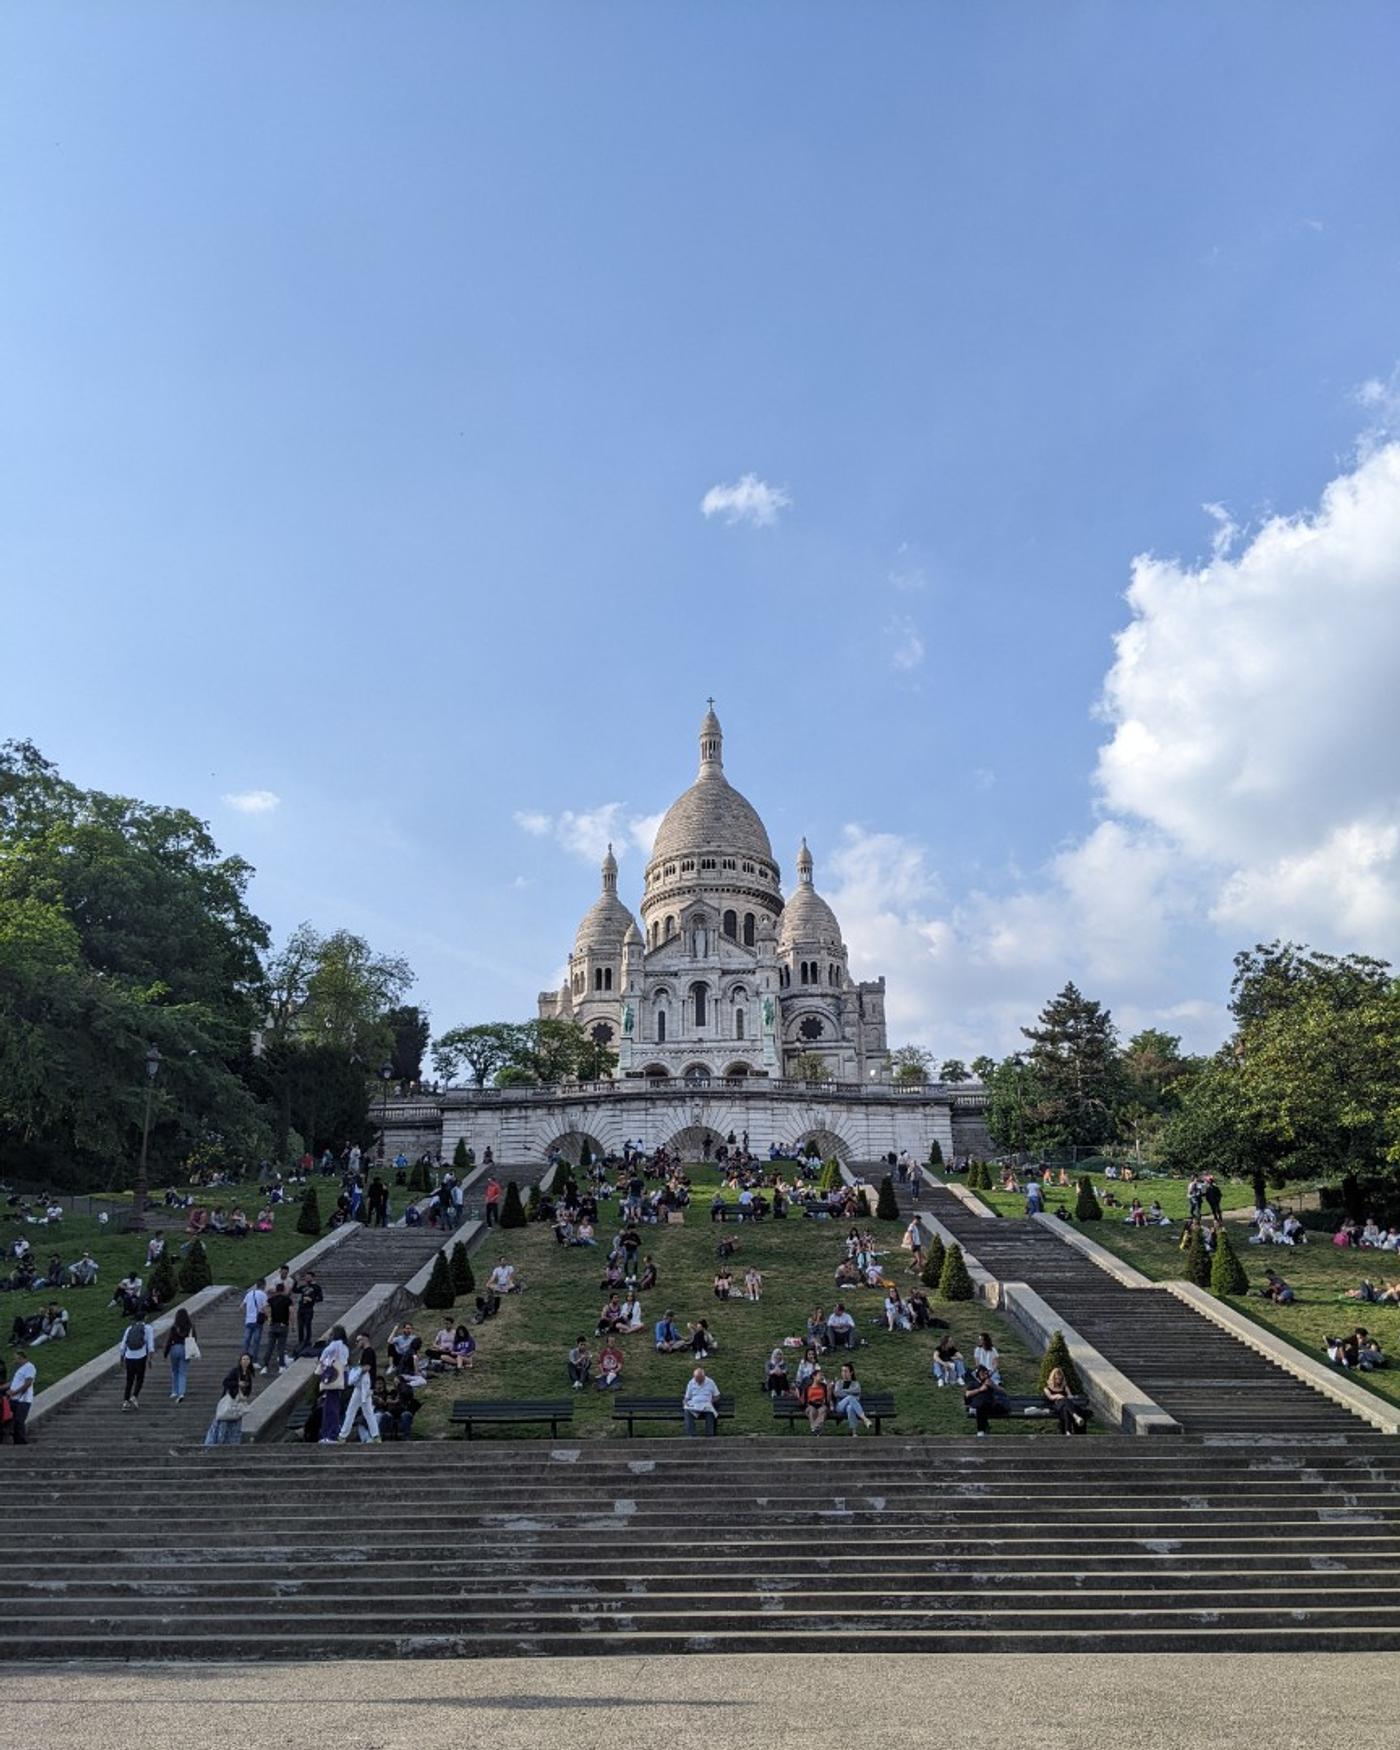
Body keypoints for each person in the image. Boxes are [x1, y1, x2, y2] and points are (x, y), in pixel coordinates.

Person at [204, 1353, 255, 1446]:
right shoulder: (235, 1371)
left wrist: (245, 1392)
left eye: (247, 1359)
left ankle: (232, 1443)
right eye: (243, 1359)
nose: (245, 1361)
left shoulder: (248, 1374)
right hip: (230, 1400)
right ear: (240, 1361)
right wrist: (237, 1384)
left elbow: (249, 1388)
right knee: (223, 1422)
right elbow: (226, 1382)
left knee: (236, 1423)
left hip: (239, 1403)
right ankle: (217, 1442)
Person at [338, 1334, 381, 1443]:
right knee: (365, 1412)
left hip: (364, 1387)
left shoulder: (368, 1352)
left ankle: (343, 1436)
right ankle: (375, 1436)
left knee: (354, 1411)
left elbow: (367, 1367)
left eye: (358, 1341)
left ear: (364, 1339)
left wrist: (354, 1373)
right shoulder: (367, 1352)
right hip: (362, 1387)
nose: (356, 1344)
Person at [317, 1326, 350, 1443]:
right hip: (341, 1376)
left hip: (334, 1376)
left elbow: (325, 1352)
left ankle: (331, 1434)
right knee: (332, 1405)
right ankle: (330, 1433)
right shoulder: (345, 1346)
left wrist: (322, 1361)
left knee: (331, 1407)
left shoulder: (336, 1344)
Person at [120, 1311, 155, 1409]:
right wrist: (150, 1359)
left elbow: (123, 1345)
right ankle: (134, 1396)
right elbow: (151, 1345)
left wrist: (121, 1359)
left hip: (129, 1357)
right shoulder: (148, 1328)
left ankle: (125, 1402)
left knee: (129, 1380)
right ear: (145, 1318)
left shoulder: (129, 1328)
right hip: (141, 1356)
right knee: (140, 1378)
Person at [164, 1305, 197, 1403]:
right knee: (183, 1372)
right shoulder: (190, 1327)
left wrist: (166, 1353)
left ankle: (174, 1391)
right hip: (185, 1349)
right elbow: (195, 1339)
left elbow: (169, 1340)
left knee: (174, 1371)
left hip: (175, 1348)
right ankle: (181, 1392)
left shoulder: (175, 1327)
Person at [1043, 1365, 1087, 1435]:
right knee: (1064, 1400)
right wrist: (1058, 1396)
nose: (1058, 1381)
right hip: (1056, 1407)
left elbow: (1070, 1396)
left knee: (1065, 1409)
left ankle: (1068, 1432)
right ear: (1052, 1378)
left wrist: (1069, 1396)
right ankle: (1075, 1416)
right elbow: (1050, 1397)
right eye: (1056, 1379)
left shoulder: (1065, 1387)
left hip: (1065, 1407)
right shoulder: (1047, 1389)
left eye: (1060, 1379)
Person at [833, 1362, 872, 1436]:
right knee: (851, 1397)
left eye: (845, 1371)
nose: (843, 1373)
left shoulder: (856, 1383)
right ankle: (865, 1419)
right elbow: (836, 1393)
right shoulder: (839, 1383)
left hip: (850, 1406)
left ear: (851, 1372)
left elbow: (857, 1395)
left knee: (850, 1407)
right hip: (840, 1406)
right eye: (842, 1371)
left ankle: (854, 1432)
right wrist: (850, 1393)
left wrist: (843, 1392)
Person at [683, 1365, 722, 1436]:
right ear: (694, 1377)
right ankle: (692, 1436)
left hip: (706, 1406)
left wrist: (711, 1401)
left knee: (710, 1412)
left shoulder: (710, 1382)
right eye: (697, 1380)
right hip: (694, 1406)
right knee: (687, 1412)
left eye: (700, 1380)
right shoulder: (691, 1383)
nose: (698, 1382)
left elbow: (717, 1396)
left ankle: (709, 1435)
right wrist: (686, 1403)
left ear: (704, 1377)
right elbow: (686, 1398)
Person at [7, 1348, 35, 1445]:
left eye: (16, 1359)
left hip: (23, 1399)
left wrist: (15, 1392)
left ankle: (21, 1441)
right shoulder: (20, 1369)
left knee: (19, 1419)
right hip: (14, 1399)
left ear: (22, 1358)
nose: (15, 1361)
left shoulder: (29, 1367)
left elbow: (28, 1383)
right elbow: (14, 1382)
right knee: (14, 1420)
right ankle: (16, 1441)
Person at [964, 1364, 1000, 1437]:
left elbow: (1003, 1392)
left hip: (989, 1405)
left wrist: (994, 1386)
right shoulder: (974, 1384)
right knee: (979, 1405)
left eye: (985, 1373)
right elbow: (967, 1394)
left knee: (981, 1406)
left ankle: (981, 1430)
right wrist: (980, 1390)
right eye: (982, 1373)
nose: (984, 1375)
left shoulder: (990, 1382)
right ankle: (982, 1428)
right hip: (979, 1405)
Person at [294, 1269, 323, 1356]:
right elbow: (295, 1290)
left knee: (307, 1325)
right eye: (306, 1276)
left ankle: (307, 1341)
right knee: (300, 1326)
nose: (306, 1278)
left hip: (309, 1309)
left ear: (312, 1277)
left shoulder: (316, 1287)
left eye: (308, 1277)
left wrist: (312, 1300)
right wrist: (296, 1281)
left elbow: (321, 1298)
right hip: (301, 1308)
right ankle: (301, 1341)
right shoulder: (304, 1287)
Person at [241, 1278, 269, 1369]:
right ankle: (254, 1361)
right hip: (257, 1321)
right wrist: (268, 1318)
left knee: (246, 1341)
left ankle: (244, 1360)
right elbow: (265, 1308)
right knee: (256, 1342)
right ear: (263, 1285)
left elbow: (241, 1306)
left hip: (248, 1321)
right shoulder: (263, 1295)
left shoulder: (249, 1294)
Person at [802, 1366, 831, 1434]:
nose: (822, 1377)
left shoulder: (824, 1386)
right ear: (814, 1376)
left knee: (823, 1410)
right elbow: (804, 1400)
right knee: (812, 1410)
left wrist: (829, 1390)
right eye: (820, 1375)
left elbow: (828, 1401)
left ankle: (815, 1427)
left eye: (822, 1375)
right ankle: (816, 1428)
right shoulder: (808, 1387)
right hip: (810, 1405)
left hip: (821, 1405)